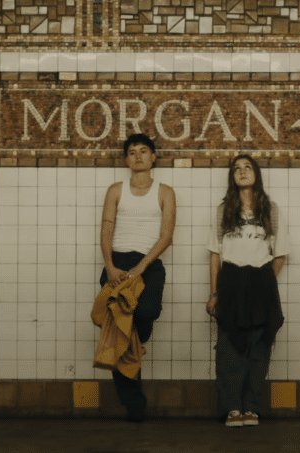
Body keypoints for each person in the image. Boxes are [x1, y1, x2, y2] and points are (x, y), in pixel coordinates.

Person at [206, 154, 289, 428]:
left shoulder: (271, 209)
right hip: (230, 281)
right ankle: (232, 408)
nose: (241, 172)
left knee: (259, 346)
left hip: (261, 281)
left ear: (257, 174)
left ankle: (251, 407)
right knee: (230, 348)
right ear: (232, 177)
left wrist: (262, 282)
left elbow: (280, 255)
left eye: (247, 167)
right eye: (236, 168)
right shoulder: (223, 211)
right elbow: (215, 255)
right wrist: (215, 293)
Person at [99, 133, 176, 423]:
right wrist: (109, 266)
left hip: (149, 264)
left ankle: (133, 344)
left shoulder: (165, 192)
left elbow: (166, 235)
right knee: (119, 330)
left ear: (153, 157)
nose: (138, 156)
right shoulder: (116, 190)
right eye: (132, 152)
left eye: (144, 151)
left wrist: (143, 266)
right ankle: (134, 405)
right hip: (117, 264)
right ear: (126, 159)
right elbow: (107, 227)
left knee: (147, 312)